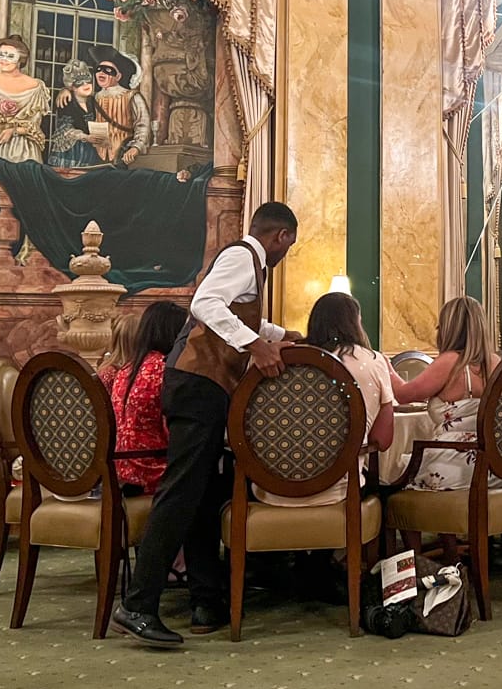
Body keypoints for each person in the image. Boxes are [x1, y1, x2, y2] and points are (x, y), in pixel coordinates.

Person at [111, 202, 299, 648]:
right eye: (289, 245)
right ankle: (138, 605)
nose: (286, 253)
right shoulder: (243, 257)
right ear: (283, 237)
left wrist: (277, 335)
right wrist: (255, 345)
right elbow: (204, 303)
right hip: (198, 385)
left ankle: (204, 598)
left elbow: (234, 311)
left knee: (197, 495)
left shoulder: (248, 264)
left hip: (198, 385)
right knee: (180, 494)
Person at [255, 292, 393, 508]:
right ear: (356, 323)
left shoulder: (280, 358)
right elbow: (382, 440)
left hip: (270, 492)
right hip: (340, 491)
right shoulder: (372, 361)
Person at [391, 296, 497, 491]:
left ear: (450, 329)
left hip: (453, 464)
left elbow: (403, 395)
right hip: (493, 466)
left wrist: (383, 366)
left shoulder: (451, 362)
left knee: (388, 474)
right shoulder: (495, 363)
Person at [100, 301, 187, 496]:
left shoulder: (125, 370)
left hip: (121, 470)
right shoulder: (165, 370)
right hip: (152, 471)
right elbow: (175, 431)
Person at [0, 36, 50, 163]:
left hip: (24, 148)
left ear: (20, 59)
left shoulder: (35, 86)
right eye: (1, 55)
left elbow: (35, 124)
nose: (4, 60)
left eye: (10, 56)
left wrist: (14, 131)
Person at [47, 59, 102, 169]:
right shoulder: (67, 101)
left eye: (88, 80)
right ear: (71, 86)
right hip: (72, 151)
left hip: (92, 150)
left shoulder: (95, 101)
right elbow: (64, 129)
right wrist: (85, 137)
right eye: (79, 83)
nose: (85, 84)